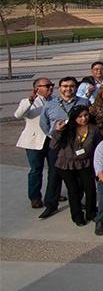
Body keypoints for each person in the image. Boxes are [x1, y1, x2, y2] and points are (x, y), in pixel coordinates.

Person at [38, 77, 90, 220]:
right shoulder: (50, 105)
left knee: (78, 175)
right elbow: (44, 123)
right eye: (65, 86)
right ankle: (51, 205)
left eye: (72, 86)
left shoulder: (83, 102)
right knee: (54, 175)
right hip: (58, 145)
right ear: (59, 88)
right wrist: (54, 135)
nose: (68, 89)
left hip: (77, 145)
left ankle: (78, 202)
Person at [50, 105, 103, 226]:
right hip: (67, 164)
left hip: (86, 163)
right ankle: (77, 216)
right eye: (80, 117)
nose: (83, 119)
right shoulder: (67, 129)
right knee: (74, 191)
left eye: (85, 115)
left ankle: (91, 212)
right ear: (74, 118)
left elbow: (98, 147)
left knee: (90, 189)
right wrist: (58, 130)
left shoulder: (93, 129)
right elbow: (52, 146)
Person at [15, 78, 53, 209]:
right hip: (34, 142)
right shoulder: (29, 102)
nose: (50, 88)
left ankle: (53, 193)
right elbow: (18, 115)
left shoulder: (56, 100)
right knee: (36, 170)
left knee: (55, 170)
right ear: (37, 88)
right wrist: (29, 101)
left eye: (51, 85)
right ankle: (35, 197)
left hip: (51, 140)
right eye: (47, 86)